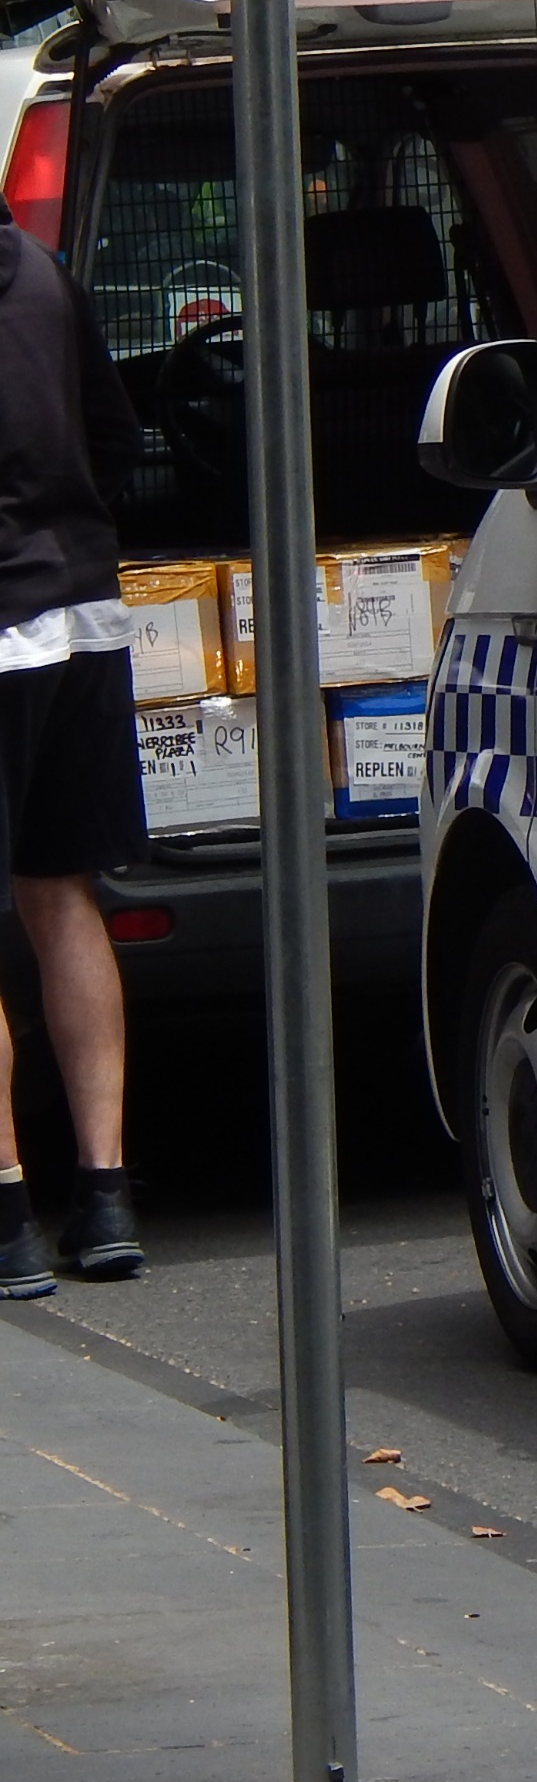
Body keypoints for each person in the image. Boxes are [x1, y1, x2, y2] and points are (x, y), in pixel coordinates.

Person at [0, 209, 148, 1296]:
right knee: (63, 895)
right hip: (83, 615)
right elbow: (120, 436)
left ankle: (6, 1214)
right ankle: (104, 1196)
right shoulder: (45, 276)